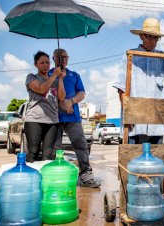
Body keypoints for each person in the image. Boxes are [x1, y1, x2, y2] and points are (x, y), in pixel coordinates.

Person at [113, 17, 164, 144]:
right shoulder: (129, 56)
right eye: (149, 36)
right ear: (141, 36)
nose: (152, 41)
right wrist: (128, 113)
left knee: (157, 160)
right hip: (135, 122)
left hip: (158, 121)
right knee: (132, 160)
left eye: (156, 38)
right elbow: (121, 88)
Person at [50, 48, 101, 188]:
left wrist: (71, 101)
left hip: (73, 117)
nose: (63, 60)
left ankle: (85, 177)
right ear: (54, 58)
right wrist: (62, 104)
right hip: (54, 118)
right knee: (55, 149)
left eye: (65, 57)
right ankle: (55, 179)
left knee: (81, 146)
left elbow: (82, 93)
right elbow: (48, 92)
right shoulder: (49, 74)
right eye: (60, 57)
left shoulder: (74, 75)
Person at [24, 51, 66, 163]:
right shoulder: (31, 77)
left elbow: (61, 97)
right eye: (42, 62)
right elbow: (41, 89)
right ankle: (31, 178)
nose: (46, 65)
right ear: (35, 64)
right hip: (35, 119)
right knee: (33, 151)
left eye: (48, 62)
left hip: (52, 120)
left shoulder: (55, 80)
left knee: (48, 155)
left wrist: (60, 79)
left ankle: (45, 179)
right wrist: (54, 76)